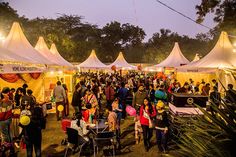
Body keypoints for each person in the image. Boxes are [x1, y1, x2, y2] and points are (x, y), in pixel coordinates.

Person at [0, 87, 14, 153]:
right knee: (9, 133)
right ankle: (11, 147)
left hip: (3, 120)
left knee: (5, 134)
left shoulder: (4, 101)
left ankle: (7, 148)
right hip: (9, 118)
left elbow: (2, 113)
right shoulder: (10, 99)